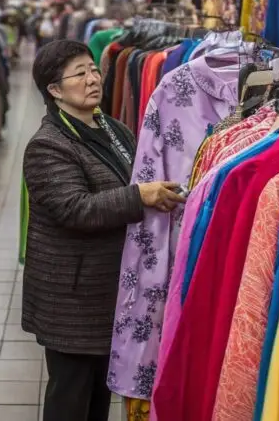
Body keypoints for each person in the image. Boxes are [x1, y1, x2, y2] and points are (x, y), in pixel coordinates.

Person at [22, 40, 185, 421]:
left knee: (97, 394)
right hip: (72, 299)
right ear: (55, 90)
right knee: (71, 396)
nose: (93, 79)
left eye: (93, 69)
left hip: (109, 290)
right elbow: (75, 209)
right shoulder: (48, 145)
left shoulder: (111, 128)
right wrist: (138, 197)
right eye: (79, 74)